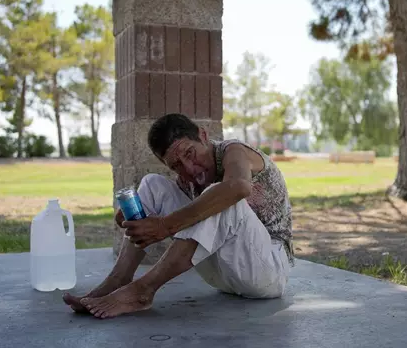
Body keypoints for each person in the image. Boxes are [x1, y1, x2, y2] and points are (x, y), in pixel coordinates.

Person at [63, 113, 294, 319]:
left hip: (267, 272)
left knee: (221, 195)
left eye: (190, 154)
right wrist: (131, 217)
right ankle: (119, 278)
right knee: (152, 184)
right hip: (224, 277)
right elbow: (175, 209)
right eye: (176, 165)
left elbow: (239, 187)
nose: (190, 169)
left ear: (203, 136)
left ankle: (143, 291)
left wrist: (165, 226)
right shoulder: (187, 179)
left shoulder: (235, 152)